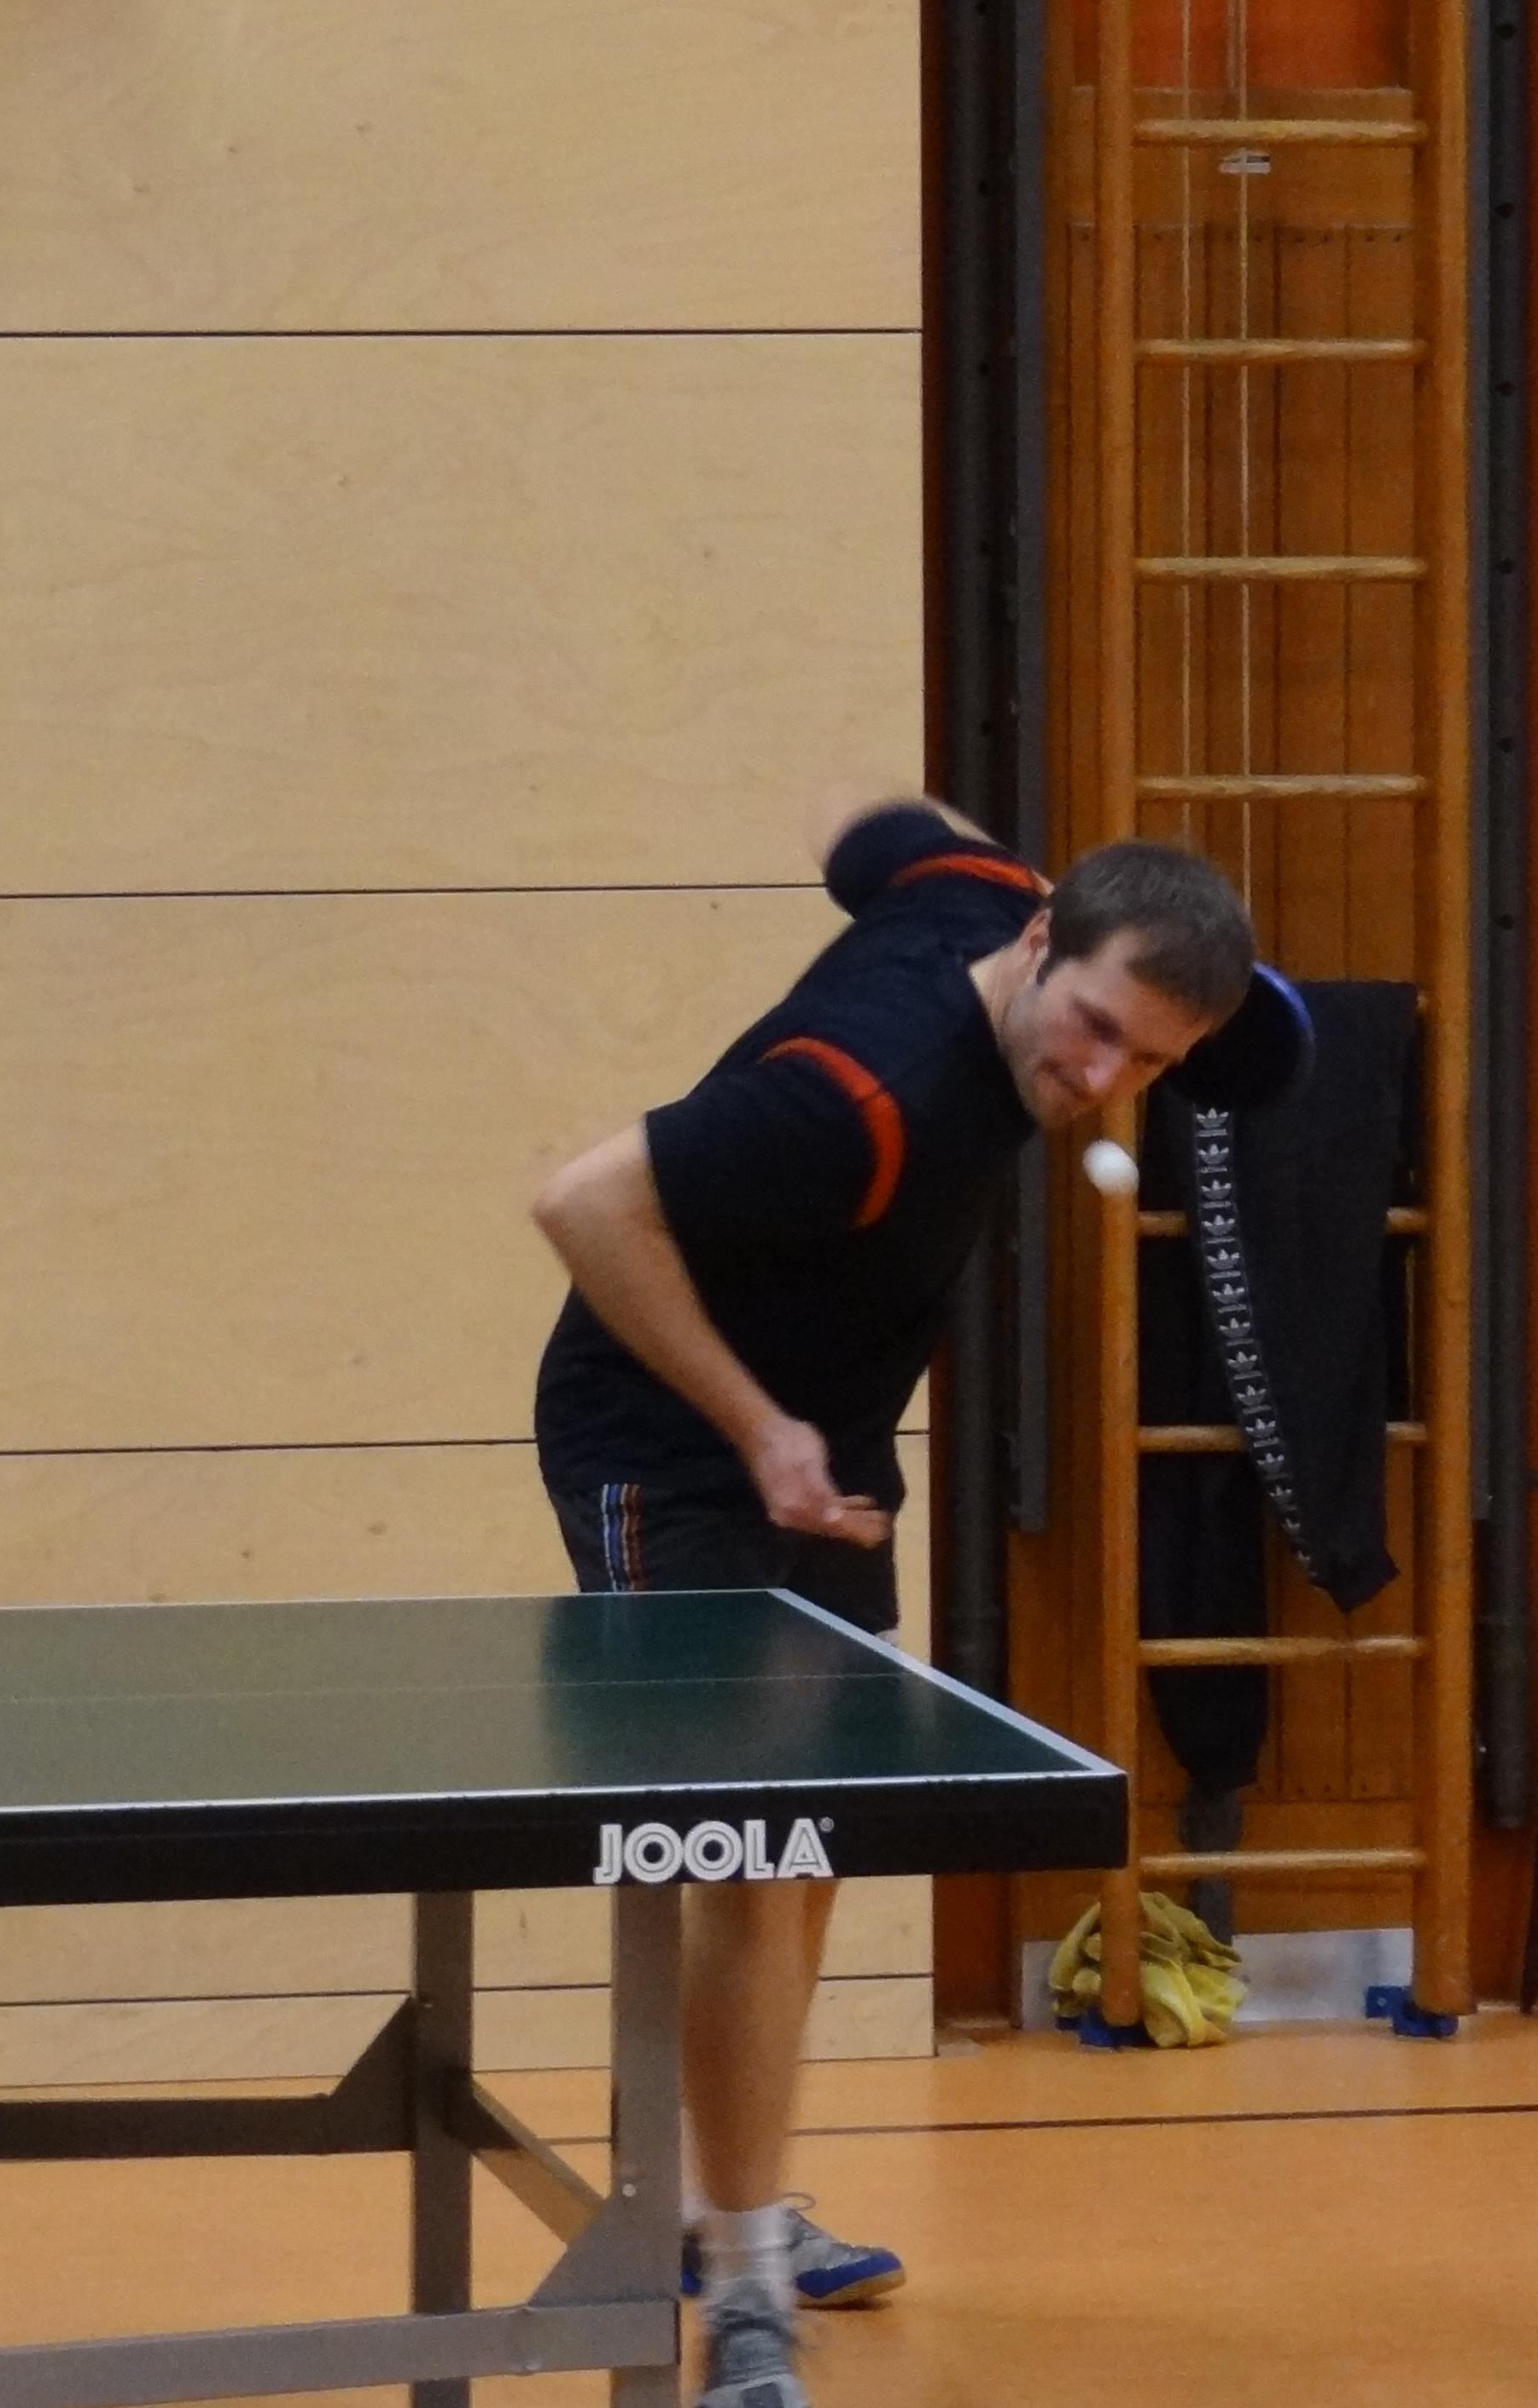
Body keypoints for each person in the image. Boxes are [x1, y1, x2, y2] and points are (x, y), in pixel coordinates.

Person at [530, 794, 1291, 2408]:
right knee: (750, 1851)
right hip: (675, 1439)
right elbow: (584, 1204)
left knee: (811, 1851)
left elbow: (885, 828)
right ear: (1040, 941)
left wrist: (800, 1441)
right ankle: (742, 2288)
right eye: (1094, 1029)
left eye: (1149, 1063)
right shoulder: (854, 1103)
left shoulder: (979, 886)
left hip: (827, 1438)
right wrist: (758, 1430)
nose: (1103, 1081)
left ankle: (727, 2202)